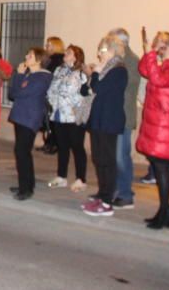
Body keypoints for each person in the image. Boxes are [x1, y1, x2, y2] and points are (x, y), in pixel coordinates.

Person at [136, 35, 169, 230]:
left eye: (166, 48)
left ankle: (165, 211)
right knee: (160, 169)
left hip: (165, 125)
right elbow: (144, 70)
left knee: (162, 168)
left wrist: (151, 54)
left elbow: (158, 80)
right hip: (158, 124)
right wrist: (148, 53)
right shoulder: (166, 66)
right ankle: (164, 210)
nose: (163, 50)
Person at [81, 35, 128, 216]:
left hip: (109, 120)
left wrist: (95, 74)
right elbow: (86, 90)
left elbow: (99, 89)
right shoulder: (105, 70)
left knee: (108, 160)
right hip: (98, 119)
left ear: (112, 51)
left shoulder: (118, 70)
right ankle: (102, 193)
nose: (99, 54)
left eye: (102, 50)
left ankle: (107, 201)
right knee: (98, 158)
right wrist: (95, 77)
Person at [8, 47, 52, 200]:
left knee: (23, 152)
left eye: (30, 55)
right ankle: (24, 184)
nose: (26, 56)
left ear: (39, 60)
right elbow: (12, 93)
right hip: (21, 117)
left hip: (29, 118)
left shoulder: (42, 78)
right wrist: (19, 76)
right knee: (20, 152)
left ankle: (26, 189)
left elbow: (21, 93)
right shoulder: (29, 74)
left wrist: (19, 76)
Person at [46, 44, 89, 192]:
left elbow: (84, 95)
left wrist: (73, 106)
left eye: (68, 52)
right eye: (65, 51)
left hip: (74, 116)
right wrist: (53, 103)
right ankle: (61, 176)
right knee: (62, 146)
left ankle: (80, 179)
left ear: (75, 57)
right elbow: (51, 89)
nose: (65, 54)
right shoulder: (59, 70)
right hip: (59, 114)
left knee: (77, 147)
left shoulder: (81, 73)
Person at [108, 27, 141, 211]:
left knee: (121, 156)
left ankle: (126, 194)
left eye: (112, 41)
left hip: (123, 115)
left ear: (121, 42)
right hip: (113, 113)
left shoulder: (131, 61)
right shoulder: (117, 60)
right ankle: (114, 190)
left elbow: (127, 87)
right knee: (113, 156)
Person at [39, 37, 66, 154]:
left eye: (49, 45)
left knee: (52, 121)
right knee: (48, 121)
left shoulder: (57, 60)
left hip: (54, 95)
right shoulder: (50, 59)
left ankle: (53, 144)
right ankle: (48, 143)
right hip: (49, 93)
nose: (46, 47)